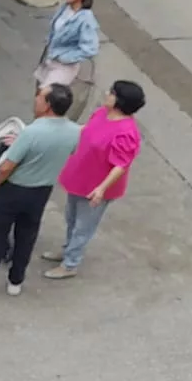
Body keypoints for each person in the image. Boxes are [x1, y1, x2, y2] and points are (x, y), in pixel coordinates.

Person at [0, 85, 79, 296]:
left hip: (12, 190)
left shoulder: (31, 132)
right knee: (26, 236)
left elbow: (7, 166)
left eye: (39, 97)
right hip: (41, 191)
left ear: (48, 106)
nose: (35, 99)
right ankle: (15, 281)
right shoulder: (74, 131)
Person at [44, 80, 145, 281]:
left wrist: (101, 189)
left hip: (96, 186)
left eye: (112, 92)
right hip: (79, 176)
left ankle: (70, 262)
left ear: (120, 101)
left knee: (83, 226)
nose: (107, 93)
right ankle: (67, 249)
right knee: (71, 217)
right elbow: (86, 130)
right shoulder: (101, 113)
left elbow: (120, 165)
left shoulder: (126, 133)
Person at [37, 0, 100, 121]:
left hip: (63, 66)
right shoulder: (64, 8)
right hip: (49, 59)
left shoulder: (85, 19)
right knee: (40, 98)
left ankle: (42, 131)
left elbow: (90, 48)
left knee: (45, 97)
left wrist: (66, 57)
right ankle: (39, 127)